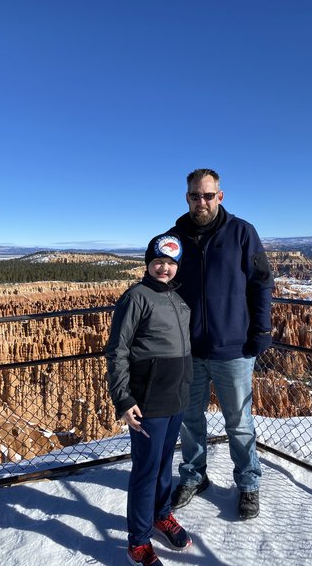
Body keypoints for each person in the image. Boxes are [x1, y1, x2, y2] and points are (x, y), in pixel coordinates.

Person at [169, 168, 274, 520]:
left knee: (239, 422)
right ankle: (194, 477)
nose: (202, 202)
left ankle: (248, 484)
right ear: (187, 197)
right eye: (195, 196)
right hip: (187, 350)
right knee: (190, 420)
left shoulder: (243, 233)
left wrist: (260, 331)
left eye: (208, 195)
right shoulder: (174, 238)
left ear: (220, 196)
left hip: (233, 349)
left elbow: (261, 283)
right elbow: (157, 286)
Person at [106, 233, 193, 566]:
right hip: (147, 400)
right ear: (147, 263)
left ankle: (162, 515)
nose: (165, 268)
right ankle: (138, 541)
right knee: (145, 470)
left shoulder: (176, 297)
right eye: (159, 261)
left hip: (176, 397)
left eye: (171, 263)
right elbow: (117, 350)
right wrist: (124, 399)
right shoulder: (136, 297)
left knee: (164, 465)